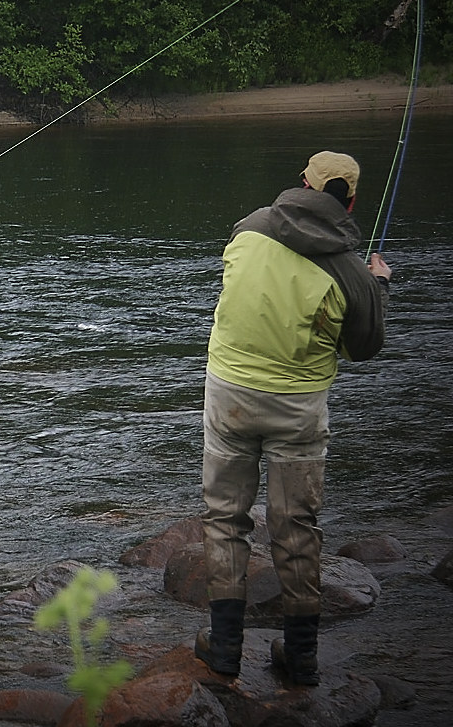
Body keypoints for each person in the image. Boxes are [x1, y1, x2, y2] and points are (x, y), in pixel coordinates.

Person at [195, 151, 392, 686]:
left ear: (302, 183)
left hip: (229, 394)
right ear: (350, 200)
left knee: (224, 518)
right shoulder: (351, 271)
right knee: (295, 527)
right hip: (298, 408)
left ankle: (225, 648)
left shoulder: (249, 228)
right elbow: (365, 347)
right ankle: (301, 656)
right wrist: (378, 287)